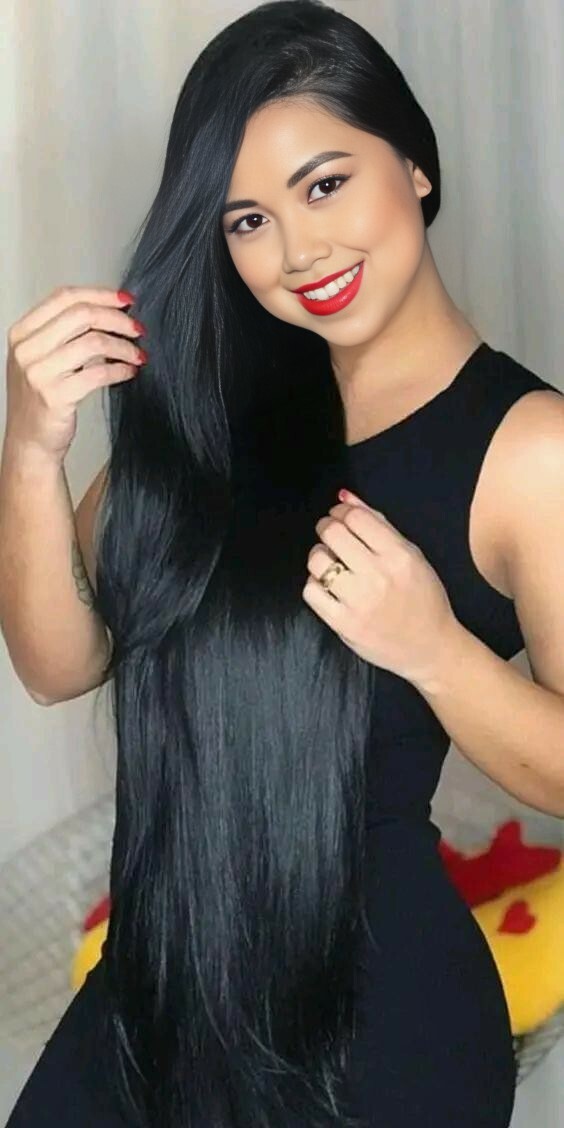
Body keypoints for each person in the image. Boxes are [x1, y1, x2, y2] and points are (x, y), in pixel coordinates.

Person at [3, 1, 563, 1124]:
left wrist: (434, 649)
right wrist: (29, 450)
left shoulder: (530, 450)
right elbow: (60, 666)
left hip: (383, 1029)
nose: (299, 253)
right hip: (158, 993)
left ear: (415, 165)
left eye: (325, 184)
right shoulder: (213, 415)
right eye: (248, 220)